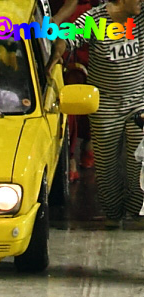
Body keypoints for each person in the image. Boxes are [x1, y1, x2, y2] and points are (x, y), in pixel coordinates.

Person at [47, 0, 144, 227]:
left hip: (139, 103)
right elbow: (66, 38)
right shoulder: (94, 19)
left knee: (138, 162)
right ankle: (113, 215)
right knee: (107, 167)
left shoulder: (141, 17)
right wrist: (57, 54)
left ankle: (134, 212)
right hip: (104, 107)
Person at [52, 0, 98, 182]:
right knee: (66, 97)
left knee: (89, 89)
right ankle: (69, 156)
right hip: (50, 20)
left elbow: (71, 3)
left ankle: (89, 145)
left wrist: (54, 21)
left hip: (76, 20)